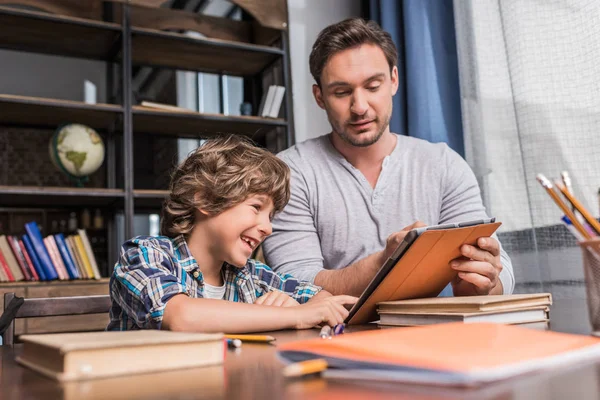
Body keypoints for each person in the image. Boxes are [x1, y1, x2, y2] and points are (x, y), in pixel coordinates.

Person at [263, 18, 515, 298]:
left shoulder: (443, 164)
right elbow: (295, 283)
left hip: (430, 335)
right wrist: (385, 264)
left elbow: (498, 273)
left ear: (393, 80)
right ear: (319, 96)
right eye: (342, 92)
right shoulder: (289, 173)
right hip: (331, 338)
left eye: (372, 87)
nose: (359, 107)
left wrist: (484, 281)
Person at [107, 135, 357, 333]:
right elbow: (181, 316)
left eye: (270, 217)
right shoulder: (143, 255)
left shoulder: (252, 275)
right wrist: (297, 315)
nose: (268, 227)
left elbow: (321, 297)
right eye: (256, 207)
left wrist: (306, 305)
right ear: (204, 198)